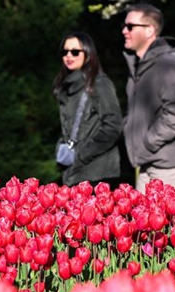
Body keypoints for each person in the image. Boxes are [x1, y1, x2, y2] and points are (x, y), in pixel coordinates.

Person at [121, 3, 175, 194]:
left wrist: (147, 142)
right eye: (124, 26)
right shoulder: (140, 66)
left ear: (149, 30)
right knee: (140, 223)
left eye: (130, 26)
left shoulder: (166, 64)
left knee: (167, 224)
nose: (124, 31)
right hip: (148, 163)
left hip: (169, 165)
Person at [53, 32, 123, 188]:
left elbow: (113, 126)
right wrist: (61, 147)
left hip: (98, 174)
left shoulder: (99, 84)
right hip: (73, 172)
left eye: (75, 52)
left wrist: (82, 154)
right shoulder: (65, 86)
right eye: (65, 52)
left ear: (88, 53)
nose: (69, 56)